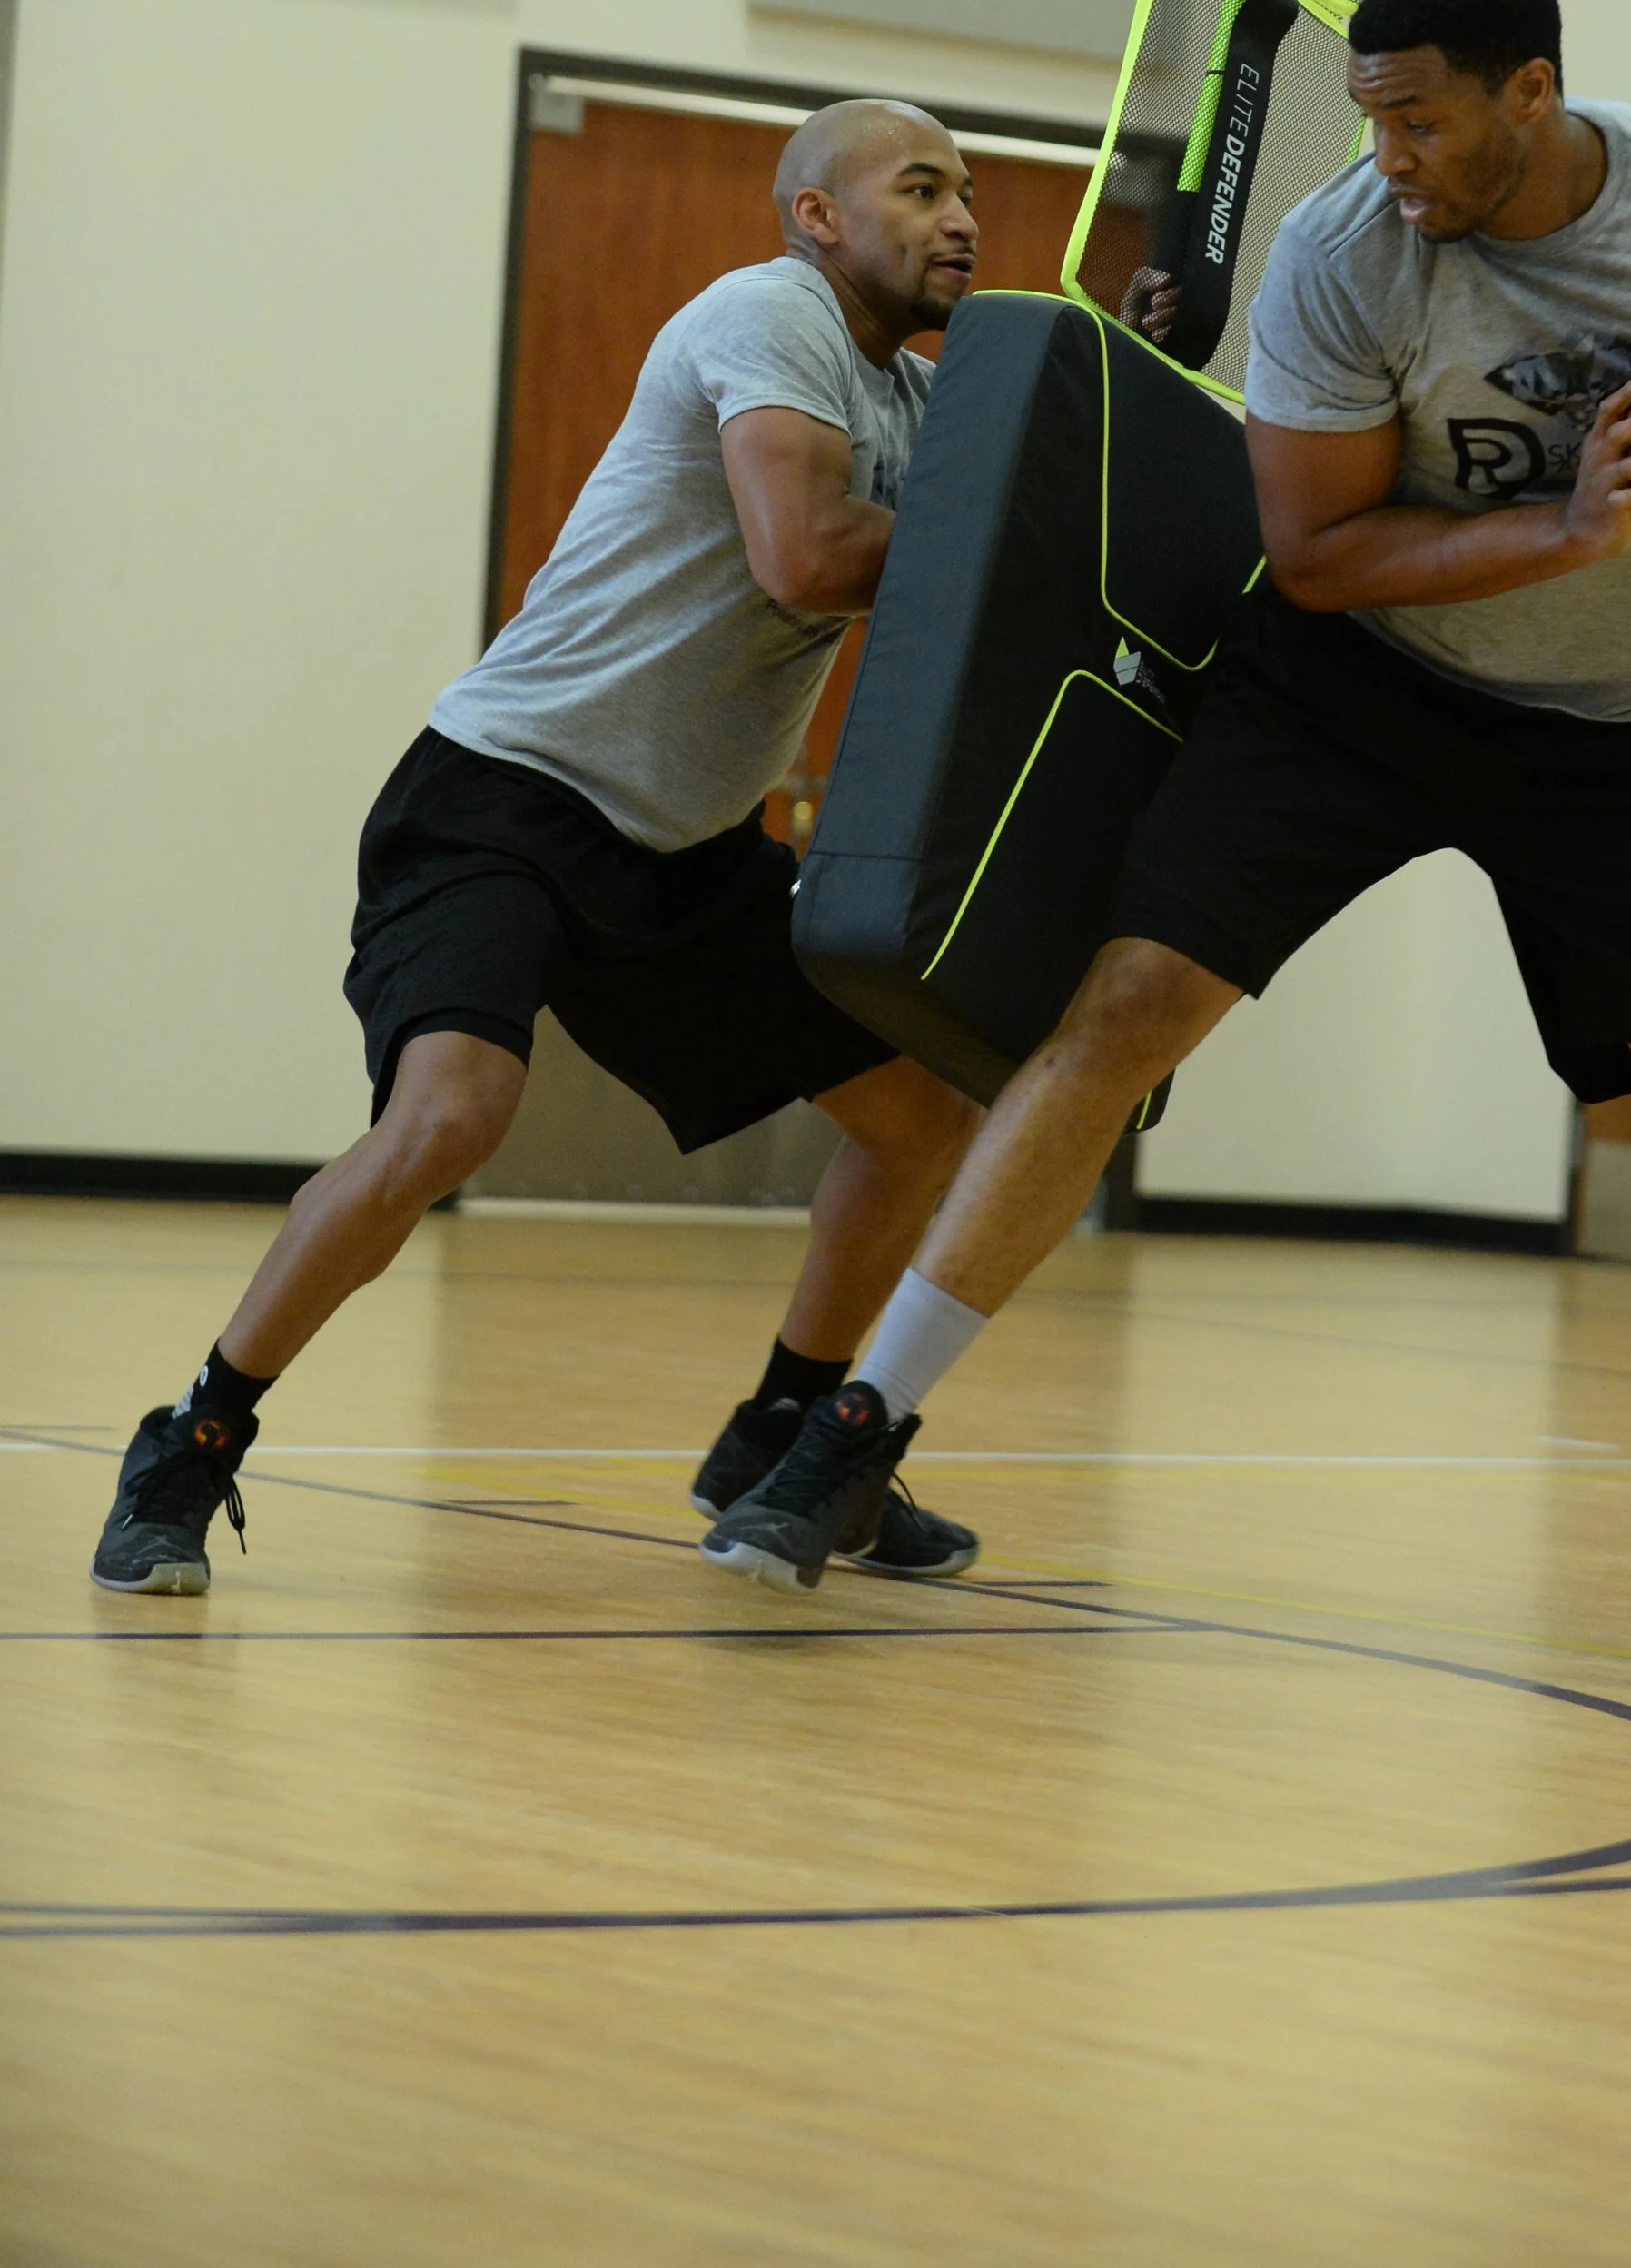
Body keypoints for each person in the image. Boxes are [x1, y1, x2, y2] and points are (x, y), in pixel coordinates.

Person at [696, 0, 1631, 1725]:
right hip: (1355, 688)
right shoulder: (1342, 249)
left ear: (1531, 91)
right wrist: (1567, 529)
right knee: (1126, 1007)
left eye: (1423, 122)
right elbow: (1314, 554)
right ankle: (852, 1431)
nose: (1392, 158)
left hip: (1623, 726)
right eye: (1372, 122)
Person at [93, 99, 990, 1597]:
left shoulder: (922, 401)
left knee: (920, 1120)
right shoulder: (768, 314)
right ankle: (190, 1441)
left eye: (968, 192)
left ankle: (782, 1434)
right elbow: (807, 556)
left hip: (688, 849)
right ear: (818, 216)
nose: (959, 217)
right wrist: (998, 534)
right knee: (448, 1122)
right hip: (504, 799)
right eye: (920, 188)